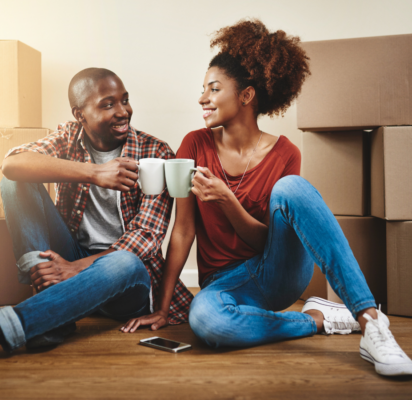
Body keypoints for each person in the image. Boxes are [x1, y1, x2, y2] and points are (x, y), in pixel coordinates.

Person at [121, 19, 412, 377]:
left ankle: (369, 321)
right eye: (203, 89)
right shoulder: (194, 145)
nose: (202, 98)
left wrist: (227, 200)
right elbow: (182, 231)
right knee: (207, 321)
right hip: (223, 283)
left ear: (246, 95)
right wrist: (163, 307)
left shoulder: (285, 153)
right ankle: (318, 320)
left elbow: (265, 240)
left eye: (213, 89)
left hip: (276, 270)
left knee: (291, 188)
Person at [0, 68, 193, 374]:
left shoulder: (156, 152)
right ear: (80, 115)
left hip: (123, 282)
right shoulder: (68, 138)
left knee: (126, 262)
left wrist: (75, 268)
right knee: (15, 180)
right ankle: (51, 304)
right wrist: (95, 173)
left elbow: (147, 237)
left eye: (124, 101)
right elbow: (12, 163)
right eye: (107, 104)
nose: (122, 111)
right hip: (68, 258)